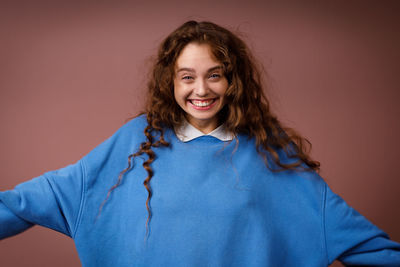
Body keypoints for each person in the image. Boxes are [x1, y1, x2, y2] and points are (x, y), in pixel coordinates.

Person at [1, 20, 399, 266]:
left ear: (233, 81)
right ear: (170, 83)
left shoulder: (270, 150)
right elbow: (37, 199)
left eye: (215, 74)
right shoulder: (135, 141)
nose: (201, 89)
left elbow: (358, 240)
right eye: (187, 76)